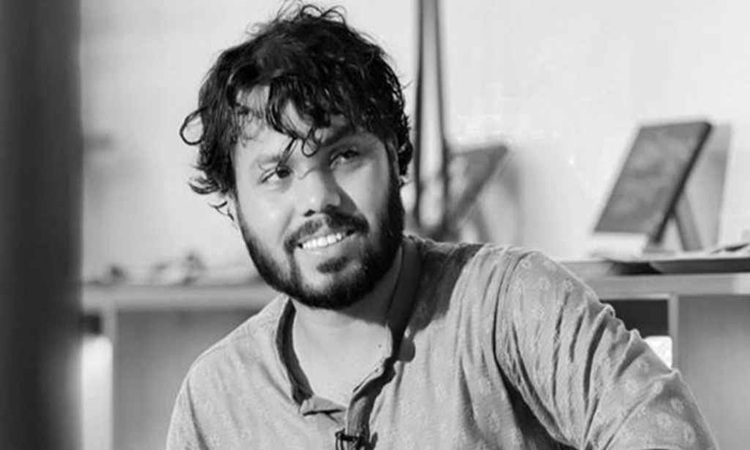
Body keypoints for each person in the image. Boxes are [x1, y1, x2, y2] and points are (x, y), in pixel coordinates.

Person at [167, 4, 716, 449]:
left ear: (396, 157)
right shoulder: (216, 398)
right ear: (234, 203)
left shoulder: (511, 304)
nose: (317, 199)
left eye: (344, 155)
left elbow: (666, 431)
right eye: (277, 173)